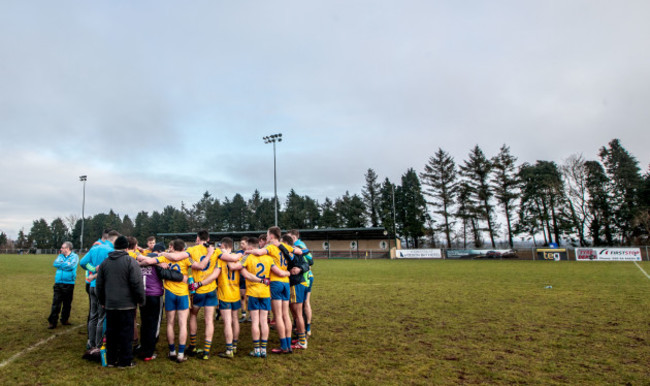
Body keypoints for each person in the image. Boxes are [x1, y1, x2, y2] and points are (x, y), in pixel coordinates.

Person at [155, 230, 218, 360]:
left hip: (170, 293)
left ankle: (172, 351)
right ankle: (181, 354)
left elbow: (148, 259)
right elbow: (200, 266)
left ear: (172, 247)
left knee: (170, 323)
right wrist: (210, 254)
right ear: (183, 248)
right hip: (185, 294)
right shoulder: (187, 258)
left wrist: (158, 260)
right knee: (183, 323)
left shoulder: (166, 257)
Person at [221, 237, 281, 358]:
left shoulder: (247, 257)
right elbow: (277, 271)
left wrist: (225, 254)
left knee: (255, 322)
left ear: (250, 247)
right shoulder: (269, 258)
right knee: (264, 321)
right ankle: (263, 349)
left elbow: (234, 267)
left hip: (253, 292)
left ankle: (256, 349)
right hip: (265, 293)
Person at [247, 226, 302, 354]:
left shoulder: (270, 247)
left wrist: (247, 252)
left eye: (267, 235)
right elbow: (298, 252)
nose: (266, 238)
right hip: (286, 283)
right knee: (286, 315)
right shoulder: (284, 246)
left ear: (271, 236)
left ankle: (284, 346)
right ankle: (288, 345)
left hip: (276, 282)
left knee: (278, 316)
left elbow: (259, 253)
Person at [96, 235, 145, 368]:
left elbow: (99, 285)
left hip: (110, 304)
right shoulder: (130, 261)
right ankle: (125, 361)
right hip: (127, 304)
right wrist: (140, 299)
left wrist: (102, 300)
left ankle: (111, 360)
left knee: (111, 333)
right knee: (126, 333)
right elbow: (137, 283)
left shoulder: (105, 263)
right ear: (127, 248)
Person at [137, 243, 185, 361]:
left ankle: (143, 348)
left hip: (142, 295)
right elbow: (166, 274)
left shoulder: (145, 259)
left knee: (144, 322)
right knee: (155, 324)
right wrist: (181, 277)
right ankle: (149, 352)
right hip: (154, 295)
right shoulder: (157, 261)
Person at [80, 230, 120, 357]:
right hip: (102, 287)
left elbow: (82, 263)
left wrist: (92, 270)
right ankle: (98, 345)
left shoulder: (95, 248)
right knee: (102, 317)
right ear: (114, 240)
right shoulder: (110, 251)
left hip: (91, 285)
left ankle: (91, 343)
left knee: (93, 315)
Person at [282, 234, 310, 350]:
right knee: (295, 314)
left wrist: (299, 269)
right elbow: (306, 263)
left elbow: (307, 264)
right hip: (296, 284)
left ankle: (302, 341)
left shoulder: (293, 253)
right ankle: (300, 337)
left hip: (296, 284)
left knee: (298, 314)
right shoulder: (296, 252)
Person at [289, 229, 314, 337]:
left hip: (303, 277)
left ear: (296, 237)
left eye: (292, 238)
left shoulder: (299, 245)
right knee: (302, 304)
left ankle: (304, 330)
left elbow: (311, 261)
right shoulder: (298, 245)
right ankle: (304, 328)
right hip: (305, 276)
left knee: (302, 304)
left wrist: (300, 268)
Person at [47, 241, 79, 329]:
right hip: (58, 283)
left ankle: (65, 319)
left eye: (62, 247)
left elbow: (71, 266)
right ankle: (52, 322)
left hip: (69, 283)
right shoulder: (60, 256)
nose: (61, 249)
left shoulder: (75, 256)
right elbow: (55, 264)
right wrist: (65, 265)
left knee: (67, 303)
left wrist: (61, 265)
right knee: (56, 303)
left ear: (68, 248)